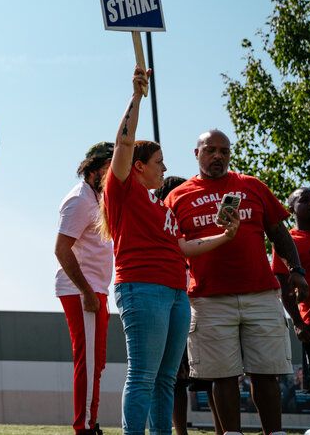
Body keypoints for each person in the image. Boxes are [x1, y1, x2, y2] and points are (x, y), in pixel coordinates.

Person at [102, 66, 240, 435]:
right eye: (160, 163)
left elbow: (184, 246)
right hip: (142, 289)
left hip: (176, 293)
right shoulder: (123, 191)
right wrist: (136, 97)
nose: (165, 169)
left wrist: (226, 236)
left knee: (167, 379)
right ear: (140, 166)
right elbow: (123, 146)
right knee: (144, 375)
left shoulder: (160, 206)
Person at [167, 130, 308, 435]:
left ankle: (275, 432)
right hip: (208, 299)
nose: (218, 156)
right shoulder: (177, 197)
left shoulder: (252, 186)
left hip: (260, 294)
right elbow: (169, 249)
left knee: (266, 373)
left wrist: (296, 268)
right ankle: (231, 433)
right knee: (222, 375)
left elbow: (279, 232)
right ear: (196, 153)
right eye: (211, 150)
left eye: (224, 151)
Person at [53, 142, 114, 435]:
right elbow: (61, 250)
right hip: (81, 290)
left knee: (96, 362)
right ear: (93, 170)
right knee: (88, 362)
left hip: (95, 288)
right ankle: (84, 427)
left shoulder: (98, 199)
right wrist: (88, 293)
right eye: (108, 168)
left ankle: (91, 421)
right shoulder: (80, 199)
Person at [157, 176, 222, 435]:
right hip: (175, 305)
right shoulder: (161, 230)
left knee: (214, 374)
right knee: (175, 378)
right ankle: (180, 431)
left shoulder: (198, 231)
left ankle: (223, 430)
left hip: (201, 303)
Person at [273, 187, 310, 395]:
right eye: (305, 200)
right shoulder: (287, 243)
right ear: (291, 209)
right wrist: (298, 323)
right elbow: (284, 287)